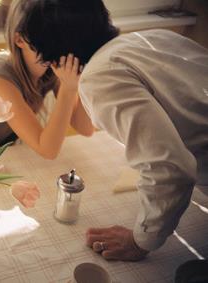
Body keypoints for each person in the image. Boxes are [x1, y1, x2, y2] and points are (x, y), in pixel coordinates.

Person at [20, 0, 208, 261]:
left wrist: (140, 240)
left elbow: (169, 167)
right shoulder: (155, 37)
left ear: (54, 57)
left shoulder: (101, 76)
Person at [0, 0, 94, 159]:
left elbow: (85, 129)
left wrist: (78, 82)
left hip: (1, 153)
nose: (55, 47)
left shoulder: (49, 67)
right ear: (19, 39)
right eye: (45, 39)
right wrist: (68, 89)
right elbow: (48, 150)